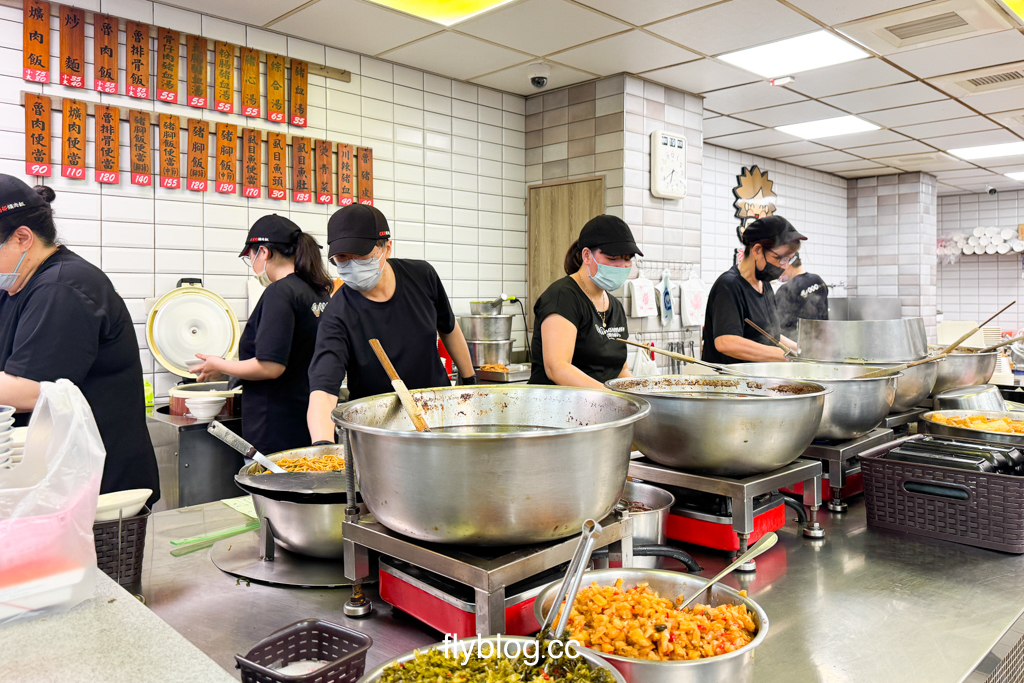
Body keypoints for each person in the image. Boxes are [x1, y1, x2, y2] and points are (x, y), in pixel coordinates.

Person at [0, 177, 159, 504]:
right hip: (57, 477)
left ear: (22, 238)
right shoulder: (15, 287)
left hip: (101, 491)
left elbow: (29, 390)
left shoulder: (63, 288)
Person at [306, 204, 477, 443]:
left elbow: (449, 329)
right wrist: (323, 446)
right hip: (379, 431)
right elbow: (323, 392)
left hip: (440, 415)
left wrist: (469, 382)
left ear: (386, 247)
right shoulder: (337, 314)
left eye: (361, 254)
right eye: (342, 257)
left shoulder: (422, 276)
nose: (352, 264)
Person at [192, 215, 332, 455]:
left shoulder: (280, 293)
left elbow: (271, 366)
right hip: (307, 418)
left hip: (274, 426)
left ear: (264, 252)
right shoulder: (316, 291)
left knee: (273, 489)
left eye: (250, 256)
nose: (252, 262)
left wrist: (222, 365)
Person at [530, 215, 640, 388]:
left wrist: (640, 393)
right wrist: (610, 396)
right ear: (587, 255)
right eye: (612, 258)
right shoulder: (563, 297)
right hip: (558, 410)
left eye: (627, 259)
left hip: (602, 410)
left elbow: (619, 369)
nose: (622, 266)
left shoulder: (615, 306)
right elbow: (557, 368)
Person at [702, 215, 805, 364]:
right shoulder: (729, 285)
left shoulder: (765, 285)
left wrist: (801, 351)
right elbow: (726, 342)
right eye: (781, 258)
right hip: (729, 383)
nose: (784, 266)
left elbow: (771, 335)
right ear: (757, 250)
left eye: (789, 259)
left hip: (758, 381)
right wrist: (783, 355)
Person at [776, 253, 828, 341]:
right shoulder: (818, 280)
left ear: (787, 263)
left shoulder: (786, 289)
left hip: (798, 343)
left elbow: (780, 325)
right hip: (820, 340)